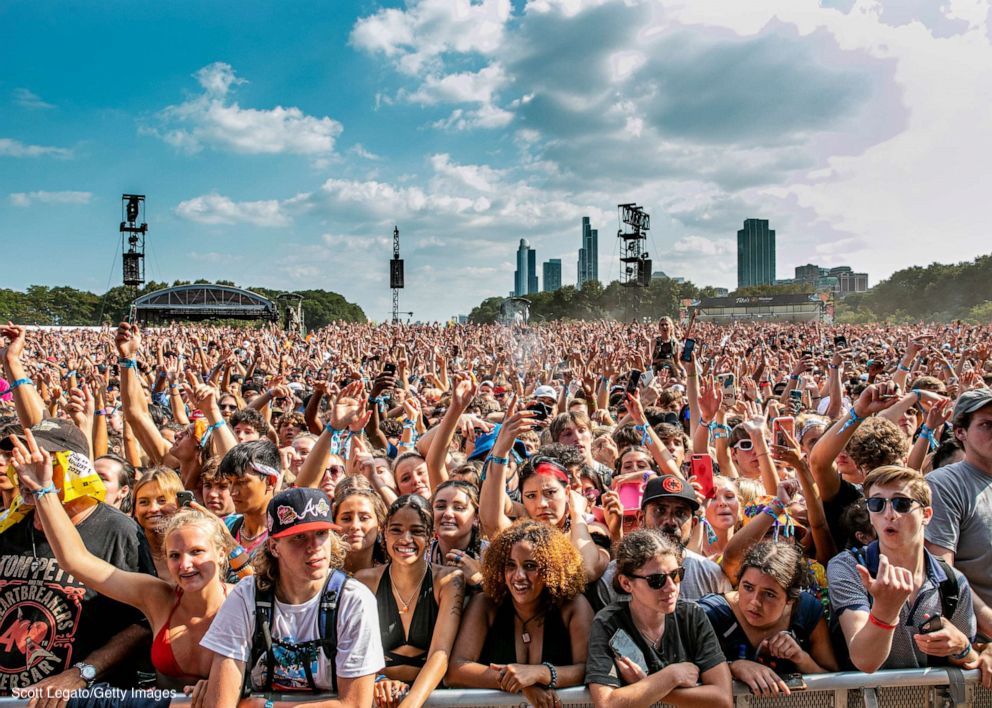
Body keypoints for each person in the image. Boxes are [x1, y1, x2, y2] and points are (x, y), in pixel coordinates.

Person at [12, 427, 236, 697]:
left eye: (197, 552)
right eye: (174, 556)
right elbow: (75, 560)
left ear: (222, 552)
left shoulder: (242, 600)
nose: (185, 564)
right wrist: (43, 490)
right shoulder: (158, 597)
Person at [0, 420, 153, 695]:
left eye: (40, 460)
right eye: (21, 459)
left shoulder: (118, 530)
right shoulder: (8, 527)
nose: (24, 470)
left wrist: (82, 673)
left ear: (74, 469)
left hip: (81, 699)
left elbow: (143, 623)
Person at [202, 487, 384, 706]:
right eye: (299, 537)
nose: (314, 547)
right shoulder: (247, 595)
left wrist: (267, 706)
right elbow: (220, 704)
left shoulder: (353, 599)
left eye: (321, 534)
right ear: (274, 546)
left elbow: (354, 705)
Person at [829, 465, 977, 671]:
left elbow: (970, 661)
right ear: (870, 515)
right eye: (877, 504)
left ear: (926, 515)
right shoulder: (850, 567)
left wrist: (962, 647)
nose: (889, 514)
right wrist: (885, 611)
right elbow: (865, 661)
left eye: (901, 503)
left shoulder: (952, 580)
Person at [447, 520, 593, 707]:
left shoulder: (573, 606)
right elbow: (455, 670)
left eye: (530, 566)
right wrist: (518, 683)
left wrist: (541, 673)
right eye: (510, 565)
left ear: (552, 569)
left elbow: (589, 669)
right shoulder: (486, 604)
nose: (518, 576)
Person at [586, 529, 732, 708]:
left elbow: (723, 698)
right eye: (656, 580)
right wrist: (671, 676)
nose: (671, 587)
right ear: (626, 583)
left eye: (676, 575)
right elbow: (607, 703)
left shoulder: (692, 615)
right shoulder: (608, 623)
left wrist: (647, 684)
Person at [355, 495, 464, 708]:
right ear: (384, 532)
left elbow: (440, 655)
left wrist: (410, 704)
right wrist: (379, 680)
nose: (406, 539)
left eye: (416, 531)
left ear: (432, 537)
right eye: (396, 530)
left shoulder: (449, 581)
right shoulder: (364, 580)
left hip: (431, 698)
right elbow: (358, 650)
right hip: (379, 699)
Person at [699, 542, 837, 697]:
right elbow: (682, 674)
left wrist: (802, 659)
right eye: (748, 587)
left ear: (790, 599)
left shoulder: (807, 610)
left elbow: (837, 684)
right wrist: (732, 667)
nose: (755, 602)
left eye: (769, 594)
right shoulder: (709, 614)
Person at [595, 474, 730, 609]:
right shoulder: (611, 577)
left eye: (680, 513)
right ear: (641, 518)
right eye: (660, 510)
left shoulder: (711, 575)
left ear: (694, 523)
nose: (670, 522)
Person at [218, 440, 281, 558]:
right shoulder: (226, 525)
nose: (232, 492)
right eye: (230, 482)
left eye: (241, 482)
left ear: (270, 481)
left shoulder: (283, 537)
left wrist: (229, 541)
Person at [132, 467, 183, 578]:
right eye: (144, 502)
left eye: (162, 501)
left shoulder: (194, 545)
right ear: (135, 510)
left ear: (179, 504)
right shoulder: (128, 551)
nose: (153, 509)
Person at [333, 476, 388, 574]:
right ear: (334, 522)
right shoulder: (324, 575)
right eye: (346, 519)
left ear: (380, 523)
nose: (355, 526)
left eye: (364, 518)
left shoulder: (392, 575)